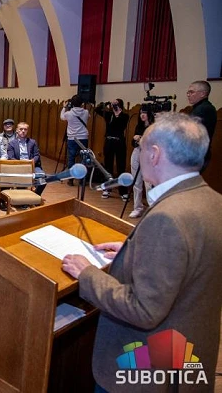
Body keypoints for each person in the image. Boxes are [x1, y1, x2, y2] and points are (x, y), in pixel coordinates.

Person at [61, 112, 222, 392]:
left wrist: (87, 273)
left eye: (141, 147)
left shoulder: (168, 217)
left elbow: (143, 309)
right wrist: (135, 251)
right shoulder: (213, 200)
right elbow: (188, 264)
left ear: (155, 154)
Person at [95, 99, 130, 199]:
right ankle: (107, 188)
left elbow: (120, 125)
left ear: (121, 105)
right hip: (109, 141)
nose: (114, 106)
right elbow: (97, 110)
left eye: (116, 104)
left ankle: (122, 191)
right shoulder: (109, 114)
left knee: (121, 167)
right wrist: (105, 103)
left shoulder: (125, 116)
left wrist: (118, 113)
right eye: (113, 104)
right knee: (108, 166)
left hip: (119, 142)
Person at [6, 122, 46, 196]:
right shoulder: (12, 143)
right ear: (17, 130)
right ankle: (21, 197)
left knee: (42, 179)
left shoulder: (32, 142)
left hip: (32, 165)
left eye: (25, 129)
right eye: (21, 129)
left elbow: (36, 155)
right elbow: (11, 157)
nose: (23, 131)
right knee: (21, 182)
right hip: (18, 167)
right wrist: (21, 164)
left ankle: (36, 195)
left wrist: (31, 162)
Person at [128, 107, 154, 218]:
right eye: (141, 113)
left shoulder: (154, 127)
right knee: (136, 182)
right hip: (137, 152)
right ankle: (137, 207)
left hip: (148, 154)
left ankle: (152, 207)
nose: (142, 115)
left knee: (148, 183)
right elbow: (133, 142)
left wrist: (140, 139)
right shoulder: (139, 126)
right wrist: (139, 140)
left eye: (145, 113)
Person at [60, 95, 89, 186]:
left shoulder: (69, 113)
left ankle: (71, 179)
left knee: (71, 158)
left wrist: (64, 107)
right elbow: (88, 116)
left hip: (72, 138)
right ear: (82, 103)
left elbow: (62, 117)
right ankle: (82, 180)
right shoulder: (86, 112)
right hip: (83, 137)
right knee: (83, 158)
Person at [187, 80, 216, 170]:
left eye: (191, 92)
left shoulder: (203, 109)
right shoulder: (200, 107)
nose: (188, 95)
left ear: (203, 94)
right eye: (188, 92)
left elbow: (187, 130)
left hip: (197, 154)